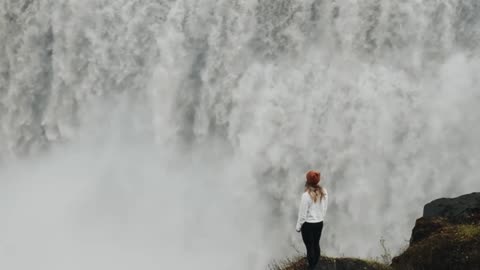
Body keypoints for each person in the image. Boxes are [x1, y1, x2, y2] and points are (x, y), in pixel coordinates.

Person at [296, 170, 328, 270]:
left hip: (308, 225)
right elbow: (324, 207)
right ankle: (315, 264)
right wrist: (321, 217)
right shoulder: (324, 192)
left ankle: (312, 267)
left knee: (310, 247)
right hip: (319, 223)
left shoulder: (306, 195)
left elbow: (302, 214)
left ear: (307, 181)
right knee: (316, 244)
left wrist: (298, 226)